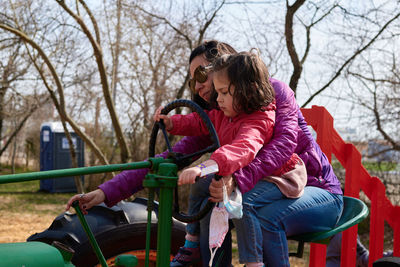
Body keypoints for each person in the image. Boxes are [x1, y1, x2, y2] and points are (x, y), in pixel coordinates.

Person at [66, 40, 343, 267]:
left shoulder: (271, 93)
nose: (197, 86)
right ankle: (208, 258)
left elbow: (280, 147)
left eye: (201, 75)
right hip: (265, 190)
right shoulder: (221, 114)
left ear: (224, 66)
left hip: (310, 187)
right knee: (215, 195)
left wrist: (236, 179)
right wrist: (105, 194)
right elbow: (170, 159)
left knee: (248, 206)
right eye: (192, 81)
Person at [153, 51, 308, 267]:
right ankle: (192, 243)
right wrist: (172, 123)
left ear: (249, 90)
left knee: (244, 201)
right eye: (217, 92)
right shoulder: (226, 114)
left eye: (224, 92)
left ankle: (254, 262)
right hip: (249, 173)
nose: (218, 99)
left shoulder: (258, 119)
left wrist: (205, 167)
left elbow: (242, 148)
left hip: (280, 177)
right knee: (201, 188)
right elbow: (200, 122)